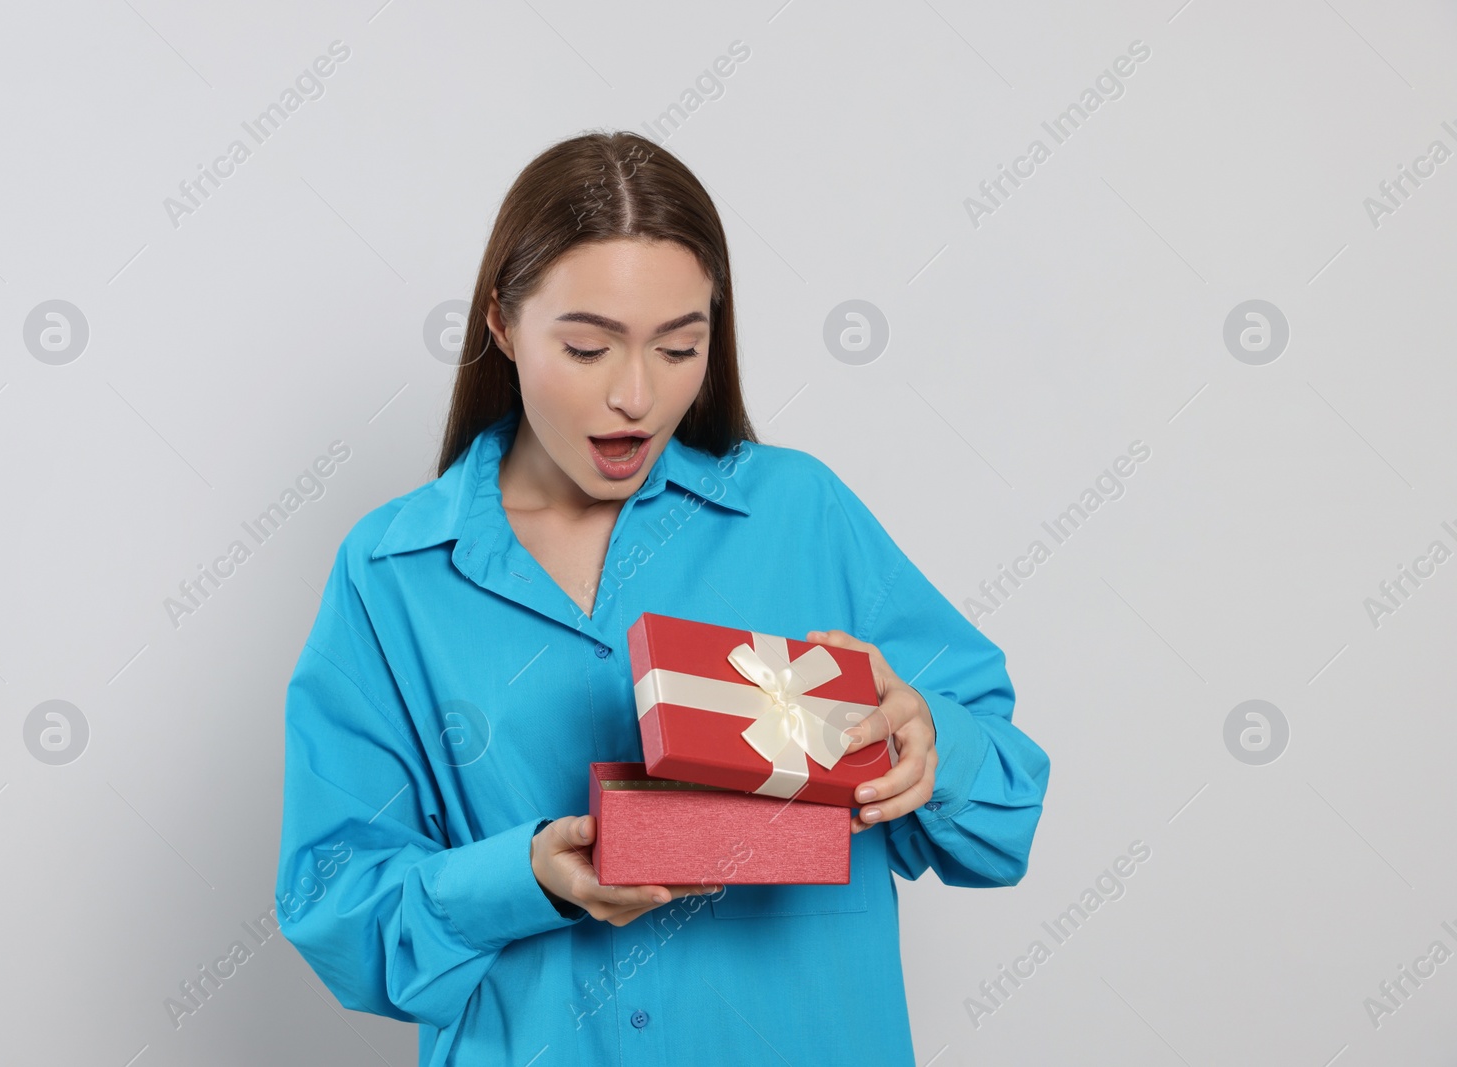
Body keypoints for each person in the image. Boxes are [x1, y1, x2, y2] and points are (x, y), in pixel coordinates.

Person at [275, 129, 1051, 1066]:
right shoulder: (393, 572)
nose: (636, 396)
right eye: (589, 347)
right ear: (500, 323)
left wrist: (933, 743)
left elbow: (1005, 815)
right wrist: (524, 877)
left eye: (679, 347)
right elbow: (332, 901)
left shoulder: (798, 513)